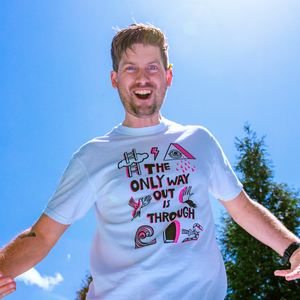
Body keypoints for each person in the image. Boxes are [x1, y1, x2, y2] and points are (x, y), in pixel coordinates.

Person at [0, 23, 299, 300]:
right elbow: (43, 234)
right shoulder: (93, 156)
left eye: (152, 67)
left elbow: (242, 208)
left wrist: (294, 249)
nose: (142, 78)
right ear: (115, 79)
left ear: (168, 76)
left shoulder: (199, 141)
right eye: (130, 68)